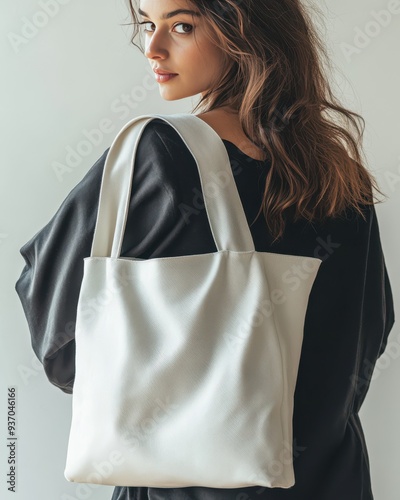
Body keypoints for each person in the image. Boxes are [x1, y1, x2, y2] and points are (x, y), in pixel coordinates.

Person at [15, 0, 395, 499]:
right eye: (148, 25)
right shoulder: (342, 177)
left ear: (247, 30)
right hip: (332, 480)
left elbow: (60, 342)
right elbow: (372, 331)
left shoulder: (161, 157)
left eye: (182, 25)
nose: (153, 47)